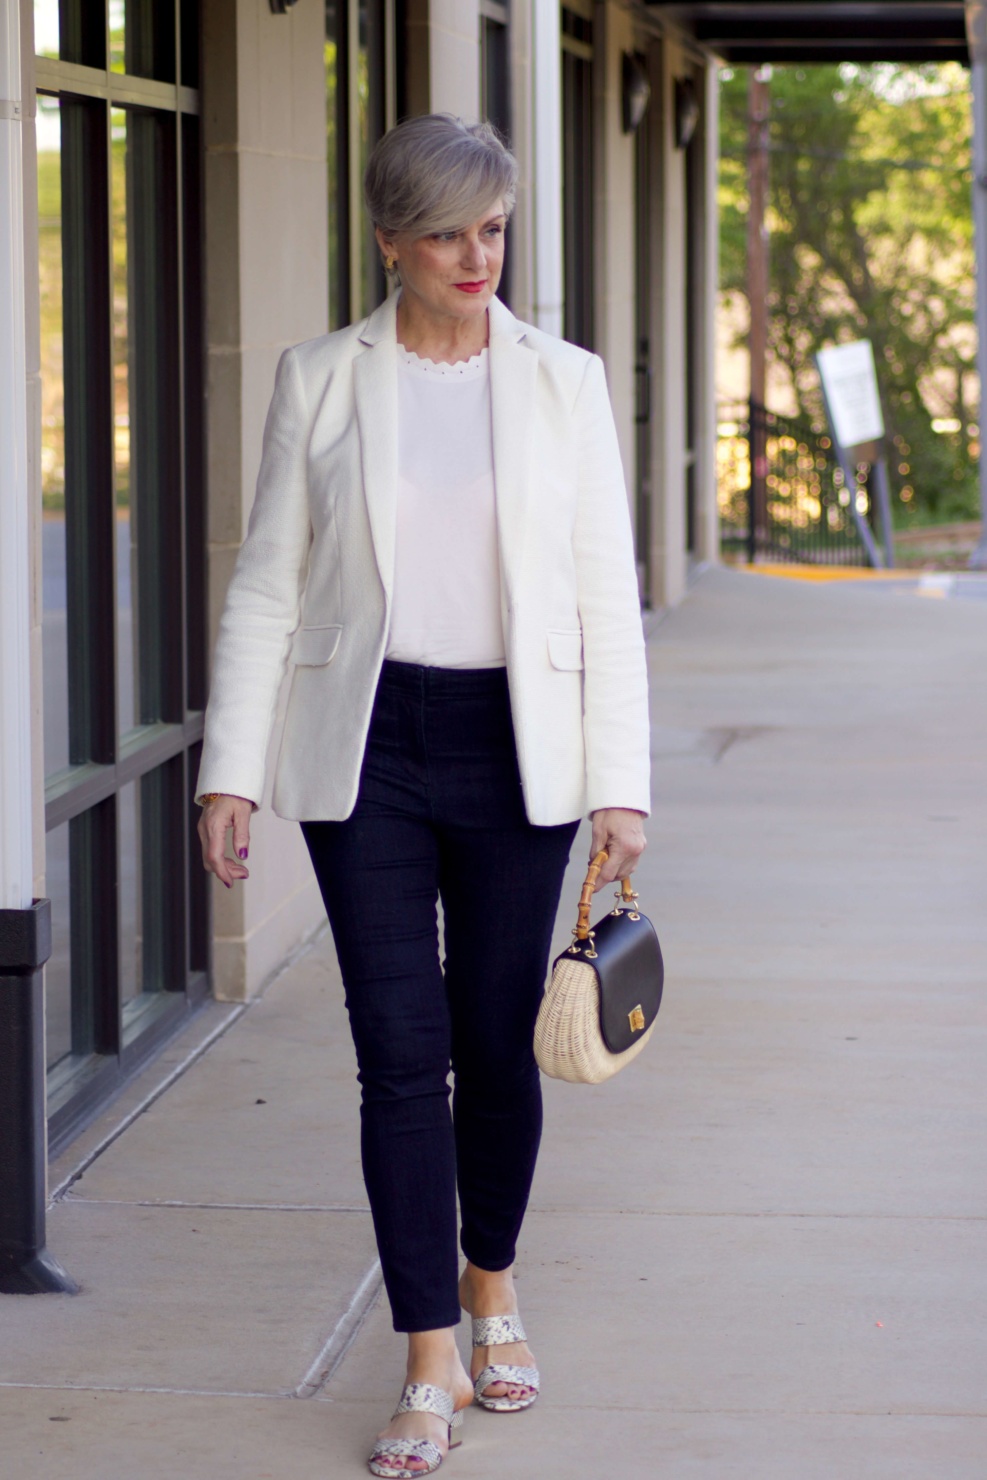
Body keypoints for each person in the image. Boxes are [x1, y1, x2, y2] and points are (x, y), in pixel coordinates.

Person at [195, 114, 650, 1478]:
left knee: (496, 1042)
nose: (475, 254)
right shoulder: (321, 378)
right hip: (370, 747)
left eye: (493, 227)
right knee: (399, 1052)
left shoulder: (562, 382)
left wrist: (620, 784)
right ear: (389, 238)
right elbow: (269, 577)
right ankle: (426, 1357)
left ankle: (491, 1281)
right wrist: (231, 764)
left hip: (520, 748)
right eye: (447, 230)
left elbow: (601, 592)